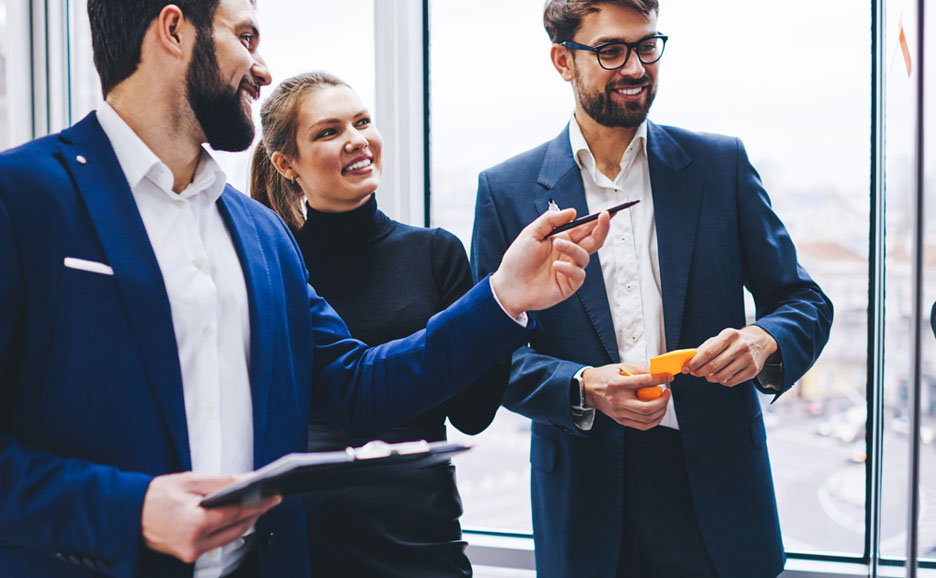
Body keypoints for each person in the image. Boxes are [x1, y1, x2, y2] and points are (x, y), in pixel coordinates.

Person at [0, 1, 612, 577]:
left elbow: (359, 385)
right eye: (245, 38)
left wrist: (504, 296)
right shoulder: (23, 198)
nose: (262, 70)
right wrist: (127, 510)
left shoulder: (261, 236)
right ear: (173, 30)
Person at [470, 1, 834, 577]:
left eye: (647, 46)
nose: (637, 67)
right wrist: (583, 385)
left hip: (717, 491)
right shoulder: (506, 192)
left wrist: (764, 341)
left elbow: (805, 301)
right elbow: (487, 357)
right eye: (611, 51)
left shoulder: (720, 165)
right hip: (586, 499)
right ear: (563, 61)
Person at [249, 71, 507, 578]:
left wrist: (505, 307)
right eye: (329, 131)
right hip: (303, 547)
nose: (356, 140)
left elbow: (475, 414)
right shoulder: (272, 266)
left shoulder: (435, 253)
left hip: (421, 544)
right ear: (286, 164)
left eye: (362, 122)